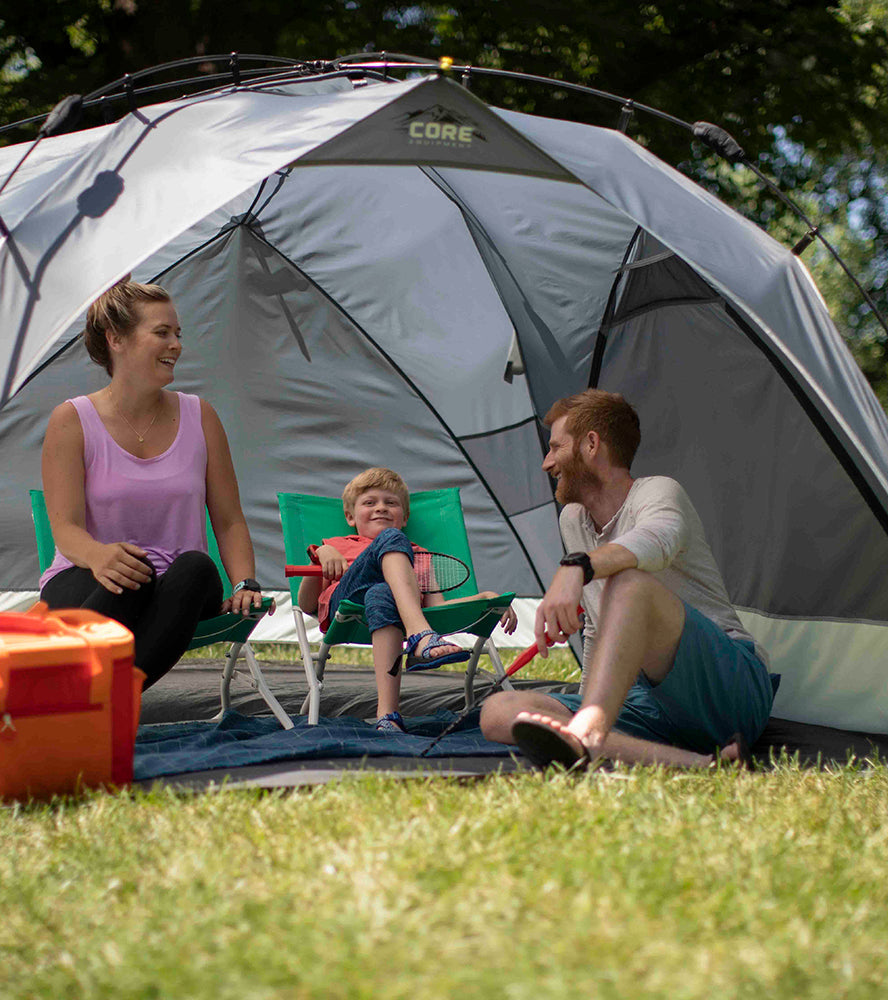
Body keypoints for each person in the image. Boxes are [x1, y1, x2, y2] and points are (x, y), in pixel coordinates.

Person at [480, 389, 775, 769]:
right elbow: (594, 631)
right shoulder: (573, 519)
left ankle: (588, 730)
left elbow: (658, 540)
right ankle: (703, 765)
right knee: (500, 711)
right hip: (645, 700)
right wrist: (589, 698)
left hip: (728, 691)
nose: (546, 462)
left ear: (590, 444)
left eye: (555, 447)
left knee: (630, 583)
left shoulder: (656, 491)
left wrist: (577, 567)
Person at [40, 278, 271, 689]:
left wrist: (245, 583)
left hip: (179, 590)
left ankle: (91, 703)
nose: (176, 345)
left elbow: (230, 520)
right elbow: (65, 530)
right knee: (136, 572)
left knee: (197, 566)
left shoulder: (201, 416)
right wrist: (99, 556)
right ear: (116, 339)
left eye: (177, 334)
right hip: (91, 578)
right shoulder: (71, 420)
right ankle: (94, 703)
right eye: (162, 333)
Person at [296, 467, 517, 733]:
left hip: (391, 610)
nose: (381, 508)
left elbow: (436, 609)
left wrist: (483, 599)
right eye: (370, 502)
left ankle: (388, 716)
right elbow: (307, 605)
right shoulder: (336, 545)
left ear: (405, 516)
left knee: (381, 592)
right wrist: (320, 554)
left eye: (391, 503)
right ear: (350, 516)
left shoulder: (419, 556)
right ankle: (419, 636)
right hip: (348, 605)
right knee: (391, 539)